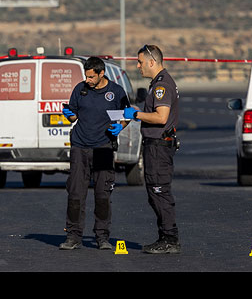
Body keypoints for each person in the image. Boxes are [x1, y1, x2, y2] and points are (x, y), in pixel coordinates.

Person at [59, 56, 130, 251]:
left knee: (103, 194)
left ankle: (102, 237)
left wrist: (120, 127)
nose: (87, 80)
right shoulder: (80, 89)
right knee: (75, 193)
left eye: (91, 77)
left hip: (103, 148)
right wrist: (68, 115)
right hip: (80, 147)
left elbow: (127, 114)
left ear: (101, 74)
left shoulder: (116, 92)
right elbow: (72, 114)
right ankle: (73, 236)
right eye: (86, 76)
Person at [124, 44, 181, 254]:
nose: (137, 66)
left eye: (139, 62)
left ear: (151, 61)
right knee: (154, 192)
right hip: (155, 145)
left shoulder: (162, 85)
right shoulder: (157, 83)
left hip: (159, 146)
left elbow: (161, 117)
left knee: (159, 191)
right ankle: (165, 236)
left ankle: (170, 239)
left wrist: (136, 115)